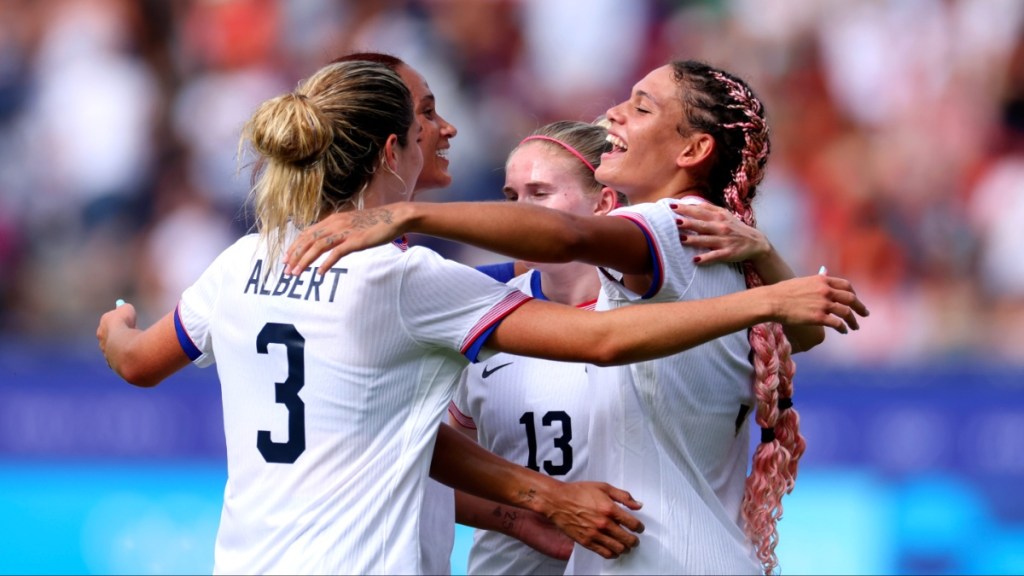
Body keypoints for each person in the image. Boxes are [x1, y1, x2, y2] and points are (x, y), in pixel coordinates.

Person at [283, 59, 852, 575]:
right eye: (512, 194)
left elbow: (568, 240)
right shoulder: (724, 249)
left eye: (641, 106)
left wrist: (407, 214)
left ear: (692, 151)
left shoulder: (673, 226)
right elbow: (799, 333)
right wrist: (772, 271)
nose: (614, 112)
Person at [448, 119, 621, 575]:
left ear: (603, 202)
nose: (518, 213)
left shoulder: (652, 317)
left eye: (540, 194)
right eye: (511, 198)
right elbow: (441, 469)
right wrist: (520, 518)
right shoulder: (476, 316)